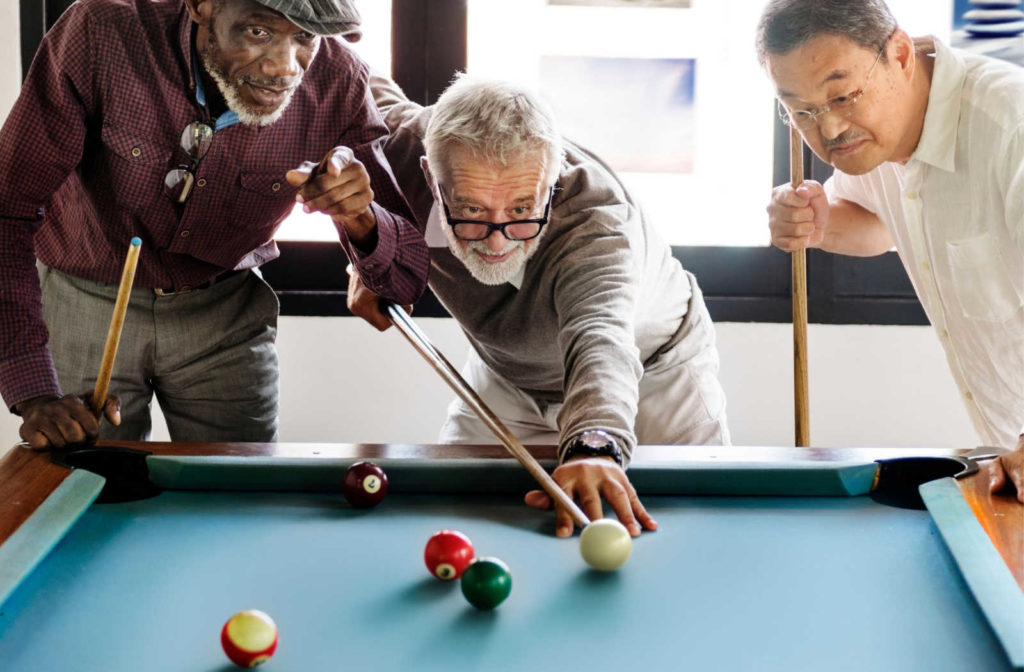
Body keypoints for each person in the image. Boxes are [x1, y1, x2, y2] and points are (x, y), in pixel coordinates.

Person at [0, 0, 429, 449]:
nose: (285, 69)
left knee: (244, 494)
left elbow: (406, 279)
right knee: (86, 482)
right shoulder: (99, 33)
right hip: (84, 302)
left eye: (304, 37)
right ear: (203, 6)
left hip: (224, 311)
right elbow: (9, 209)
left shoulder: (341, 79)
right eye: (258, 33)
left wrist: (360, 219)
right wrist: (34, 392)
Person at [348, 73, 730, 537]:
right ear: (431, 175)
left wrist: (594, 445)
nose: (495, 240)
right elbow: (340, 74)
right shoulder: (400, 150)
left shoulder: (596, 224)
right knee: (451, 520)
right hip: (507, 374)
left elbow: (601, 339)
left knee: (696, 534)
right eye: (470, 211)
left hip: (655, 376)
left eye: (520, 211)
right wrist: (370, 251)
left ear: (554, 182)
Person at [757, 0, 1024, 501]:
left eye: (842, 96)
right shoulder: (877, 142)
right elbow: (881, 224)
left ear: (900, 53)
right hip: (1006, 454)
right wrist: (820, 224)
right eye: (802, 111)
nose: (830, 130)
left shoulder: (1012, 126)